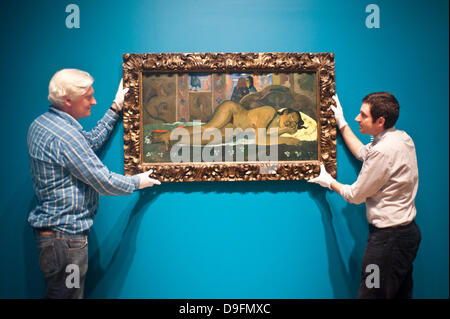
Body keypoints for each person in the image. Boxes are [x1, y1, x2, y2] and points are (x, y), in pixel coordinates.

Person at [27, 68, 161, 299]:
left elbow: (86, 144)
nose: (94, 101)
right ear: (68, 100)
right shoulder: (64, 136)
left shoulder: (43, 124)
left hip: (55, 237)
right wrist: (136, 182)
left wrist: (115, 108)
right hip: (65, 239)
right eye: (88, 97)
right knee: (67, 296)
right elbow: (103, 181)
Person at [308, 92, 421, 299]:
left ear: (380, 121)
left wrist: (329, 182)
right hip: (406, 236)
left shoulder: (383, 151)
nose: (357, 118)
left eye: (363, 115)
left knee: (371, 294)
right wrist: (341, 124)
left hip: (386, 243)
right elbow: (363, 153)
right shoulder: (402, 138)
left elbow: (355, 195)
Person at [151, 100, 304, 149]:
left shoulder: (277, 128)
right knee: (208, 128)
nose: (290, 122)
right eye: (291, 116)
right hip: (233, 112)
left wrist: (285, 131)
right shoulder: (270, 112)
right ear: (284, 112)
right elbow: (260, 140)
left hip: (235, 128)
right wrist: (287, 140)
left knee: (213, 139)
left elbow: (265, 136)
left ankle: (174, 139)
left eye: (294, 123)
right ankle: (167, 134)